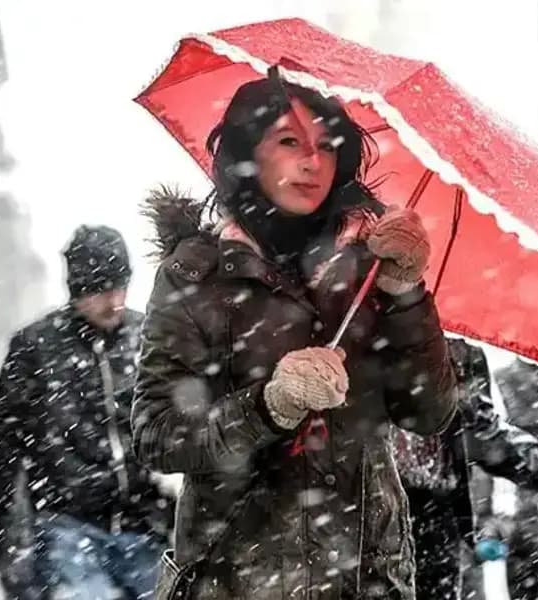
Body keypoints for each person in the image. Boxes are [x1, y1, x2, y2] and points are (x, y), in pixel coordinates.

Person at [132, 74, 457, 600]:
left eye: (327, 146)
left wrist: (404, 293)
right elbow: (157, 434)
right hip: (236, 579)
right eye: (289, 142)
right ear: (246, 155)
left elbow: (429, 412)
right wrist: (269, 406)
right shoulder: (196, 276)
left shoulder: (370, 267)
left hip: (365, 579)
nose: (313, 161)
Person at [0, 225, 173, 600]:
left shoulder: (148, 337)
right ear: (77, 289)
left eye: (121, 285)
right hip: (67, 529)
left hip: (147, 525)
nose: (115, 300)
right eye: (102, 289)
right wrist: (6, 547)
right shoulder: (35, 348)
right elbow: (3, 452)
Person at [395, 338, 538, 599]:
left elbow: (483, 440)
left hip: (436, 525)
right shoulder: (350, 323)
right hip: (364, 520)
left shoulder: (454, 339)